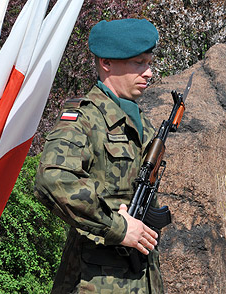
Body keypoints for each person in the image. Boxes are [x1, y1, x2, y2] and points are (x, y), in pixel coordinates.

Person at [34, 18, 164, 294]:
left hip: (142, 277)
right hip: (94, 281)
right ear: (106, 63)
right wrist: (117, 227)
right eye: (139, 63)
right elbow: (53, 179)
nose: (149, 72)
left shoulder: (142, 122)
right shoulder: (83, 118)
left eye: (149, 62)